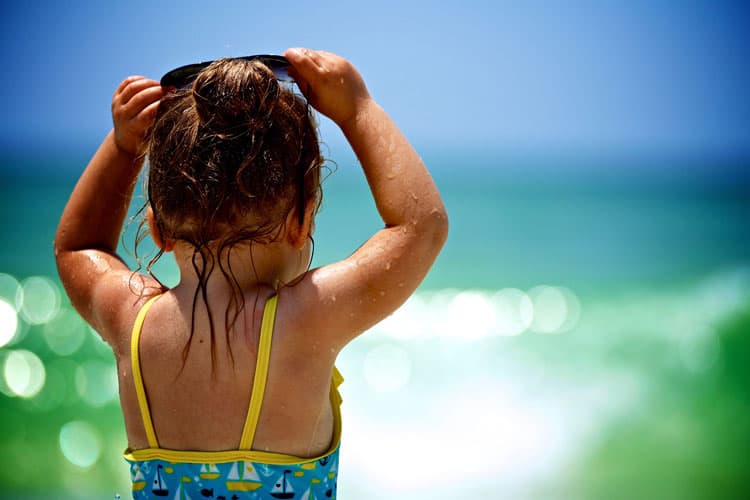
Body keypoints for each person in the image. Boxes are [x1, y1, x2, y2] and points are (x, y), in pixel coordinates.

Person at [54, 48, 448, 499]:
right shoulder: (304, 320)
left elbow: (79, 247)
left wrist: (124, 147)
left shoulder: (132, 319)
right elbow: (421, 227)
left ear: (157, 227)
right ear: (301, 222)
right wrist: (358, 107)